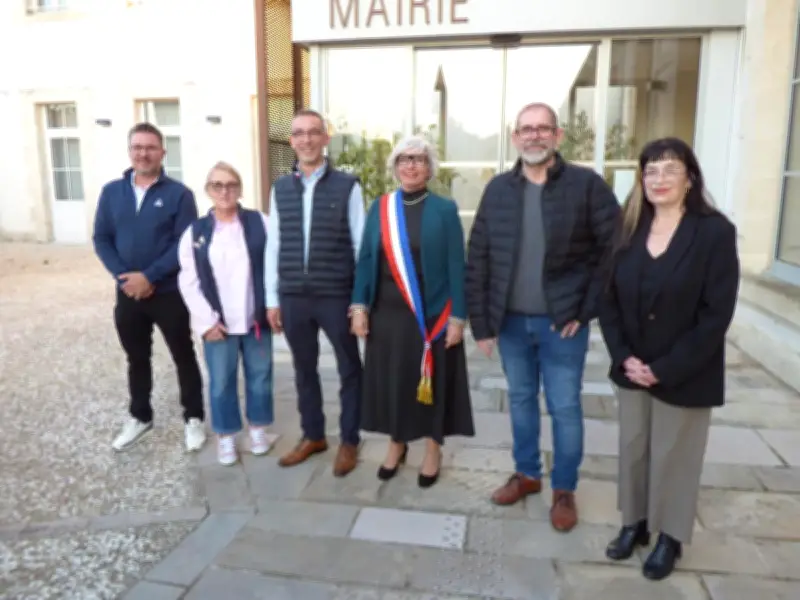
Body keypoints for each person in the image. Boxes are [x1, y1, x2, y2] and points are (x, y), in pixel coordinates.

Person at [465, 102, 620, 532]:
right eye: (526, 129)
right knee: (519, 400)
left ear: (558, 135)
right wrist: (482, 323)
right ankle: (528, 474)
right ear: (515, 137)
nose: (534, 136)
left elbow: (613, 249)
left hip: (561, 326)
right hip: (511, 323)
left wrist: (586, 308)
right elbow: (478, 256)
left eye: (542, 128)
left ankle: (564, 489)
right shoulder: (498, 190)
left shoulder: (586, 187)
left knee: (566, 406)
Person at [598, 137, 739, 580]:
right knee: (634, 448)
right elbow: (608, 300)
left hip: (685, 370)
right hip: (632, 367)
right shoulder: (627, 226)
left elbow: (716, 315)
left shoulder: (714, 232)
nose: (659, 179)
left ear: (690, 177)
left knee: (675, 456)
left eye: (670, 169)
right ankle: (635, 523)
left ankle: (670, 537)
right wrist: (624, 357)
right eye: (651, 170)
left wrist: (665, 367)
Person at [350, 136, 475, 488]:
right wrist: (359, 307)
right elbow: (366, 261)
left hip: (432, 316)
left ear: (430, 167)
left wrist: (457, 317)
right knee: (393, 383)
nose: (411, 165)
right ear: (395, 166)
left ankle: (432, 448)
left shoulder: (444, 210)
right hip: (386, 315)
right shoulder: (381, 207)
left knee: (432, 384)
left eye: (419, 159)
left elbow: (456, 265)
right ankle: (396, 443)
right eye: (404, 159)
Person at [92, 122, 206, 453]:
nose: (143, 153)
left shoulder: (179, 195)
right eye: (137, 147)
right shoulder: (112, 192)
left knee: (183, 354)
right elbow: (102, 238)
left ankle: (193, 418)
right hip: (128, 293)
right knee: (136, 357)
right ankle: (140, 416)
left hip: (168, 293)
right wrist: (124, 277)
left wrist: (150, 277)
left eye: (150, 147)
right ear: (130, 151)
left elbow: (182, 245)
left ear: (162, 152)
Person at [265, 109, 365, 477]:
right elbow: (273, 246)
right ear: (291, 141)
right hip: (293, 295)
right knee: (303, 368)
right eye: (298, 134)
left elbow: (361, 247)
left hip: (335, 294)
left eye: (313, 132)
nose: (306, 140)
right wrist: (271, 299)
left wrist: (359, 302)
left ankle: (350, 439)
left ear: (326, 138)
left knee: (349, 367)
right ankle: (313, 435)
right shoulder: (280, 189)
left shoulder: (348, 186)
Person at [177, 162, 274, 466]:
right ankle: (226, 435)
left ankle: (258, 429)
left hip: (254, 318)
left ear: (240, 189)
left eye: (231, 184)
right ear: (208, 191)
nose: (225, 191)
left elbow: (274, 266)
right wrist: (205, 322)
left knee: (260, 377)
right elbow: (188, 281)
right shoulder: (195, 232)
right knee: (220, 381)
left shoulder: (261, 222)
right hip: (217, 324)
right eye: (217, 185)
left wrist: (273, 305)